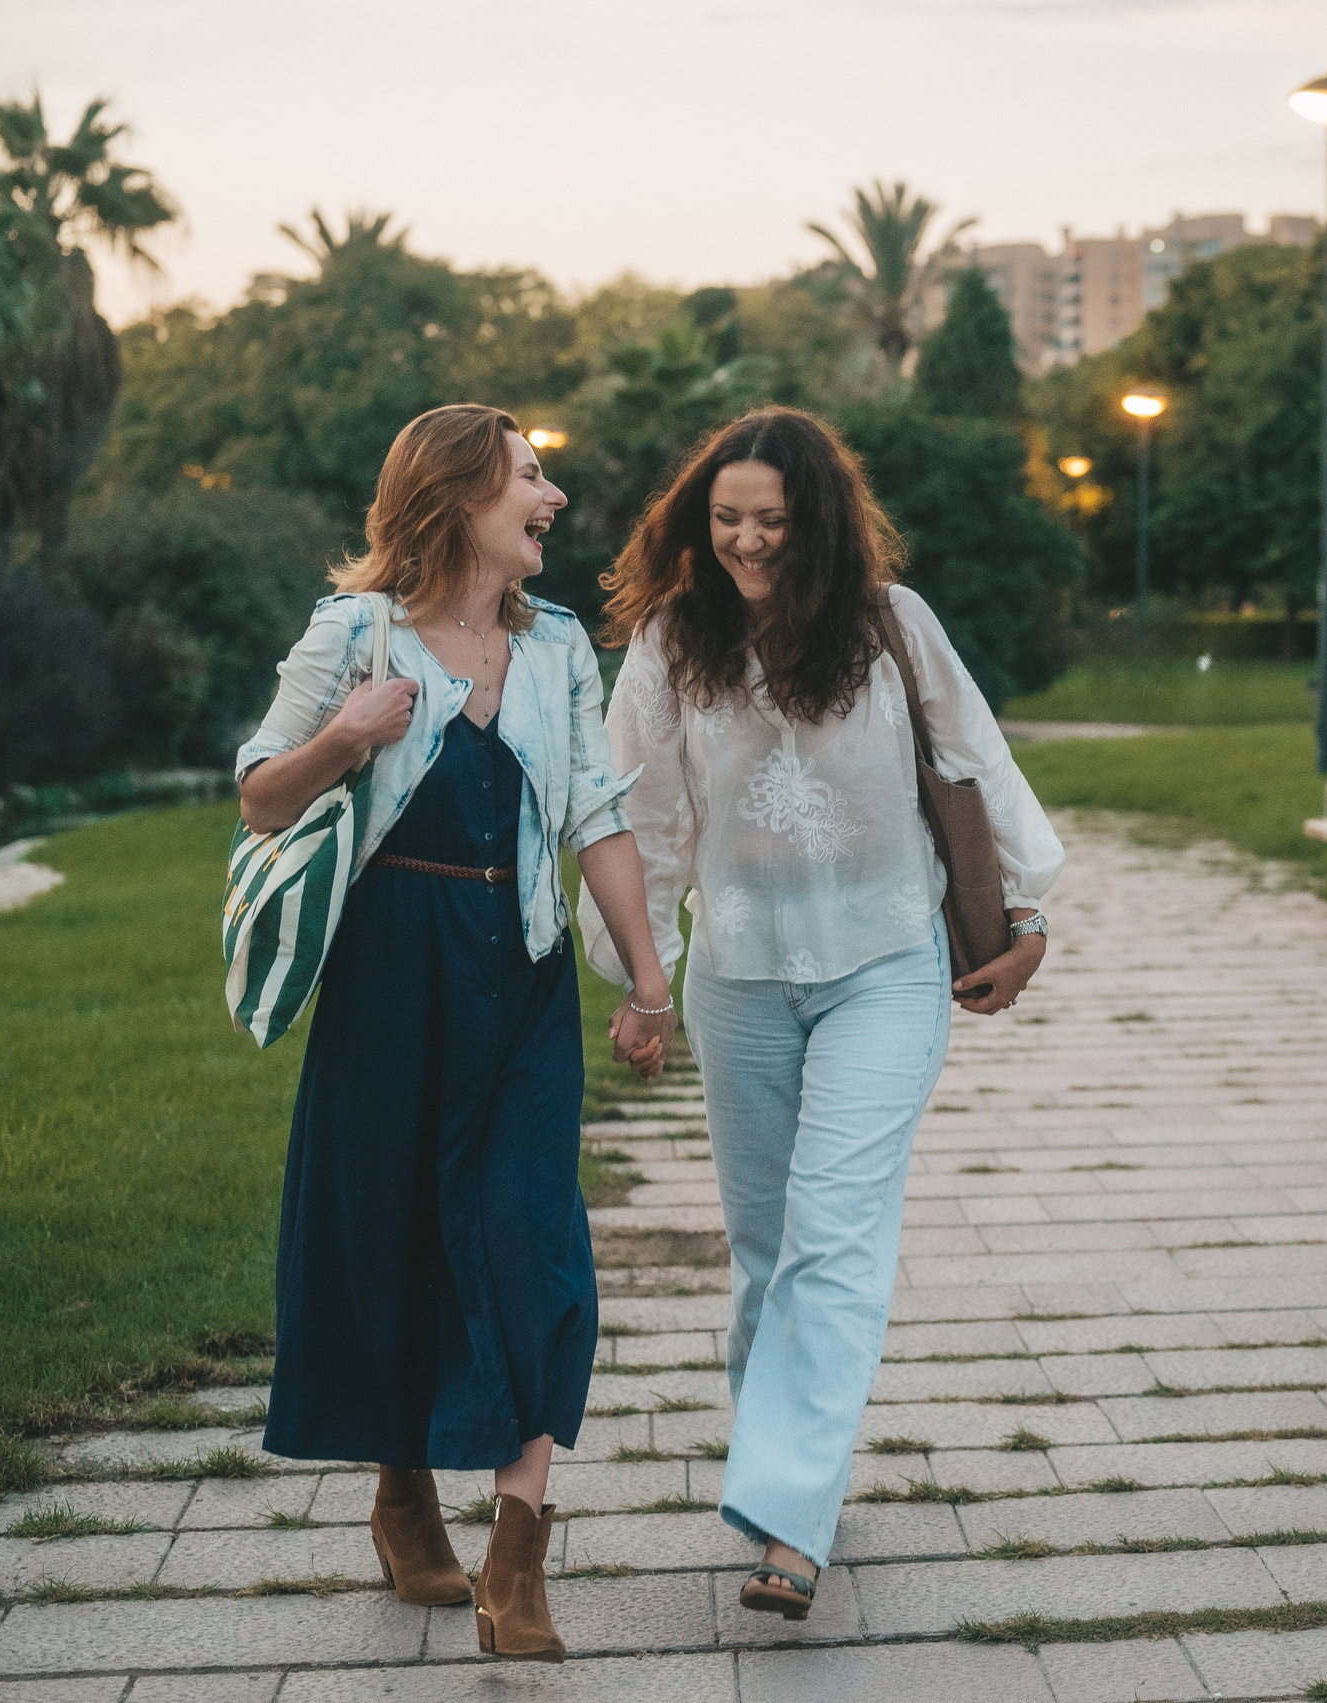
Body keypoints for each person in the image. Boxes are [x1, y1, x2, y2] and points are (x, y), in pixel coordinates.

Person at [581, 405, 1064, 1620]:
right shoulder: (667, 643)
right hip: (738, 978)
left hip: (886, 966)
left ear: (824, 525)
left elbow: (979, 763)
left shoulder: (891, 627)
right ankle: (779, 1473)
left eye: (774, 522)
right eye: (728, 517)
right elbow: (639, 821)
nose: (747, 541)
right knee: (765, 1254)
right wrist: (640, 977)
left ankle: (791, 1520)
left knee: (834, 1233)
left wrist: (1033, 921)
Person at [236, 404, 678, 1664]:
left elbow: (595, 811)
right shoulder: (355, 633)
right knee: (389, 1232)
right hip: (388, 976)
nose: (553, 494)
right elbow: (264, 793)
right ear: (460, 495)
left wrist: (648, 980)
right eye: (531, 477)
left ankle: (517, 1549)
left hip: (520, 975)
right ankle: (400, 1489)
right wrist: (345, 736)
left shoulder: (555, 652)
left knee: (533, 1241)